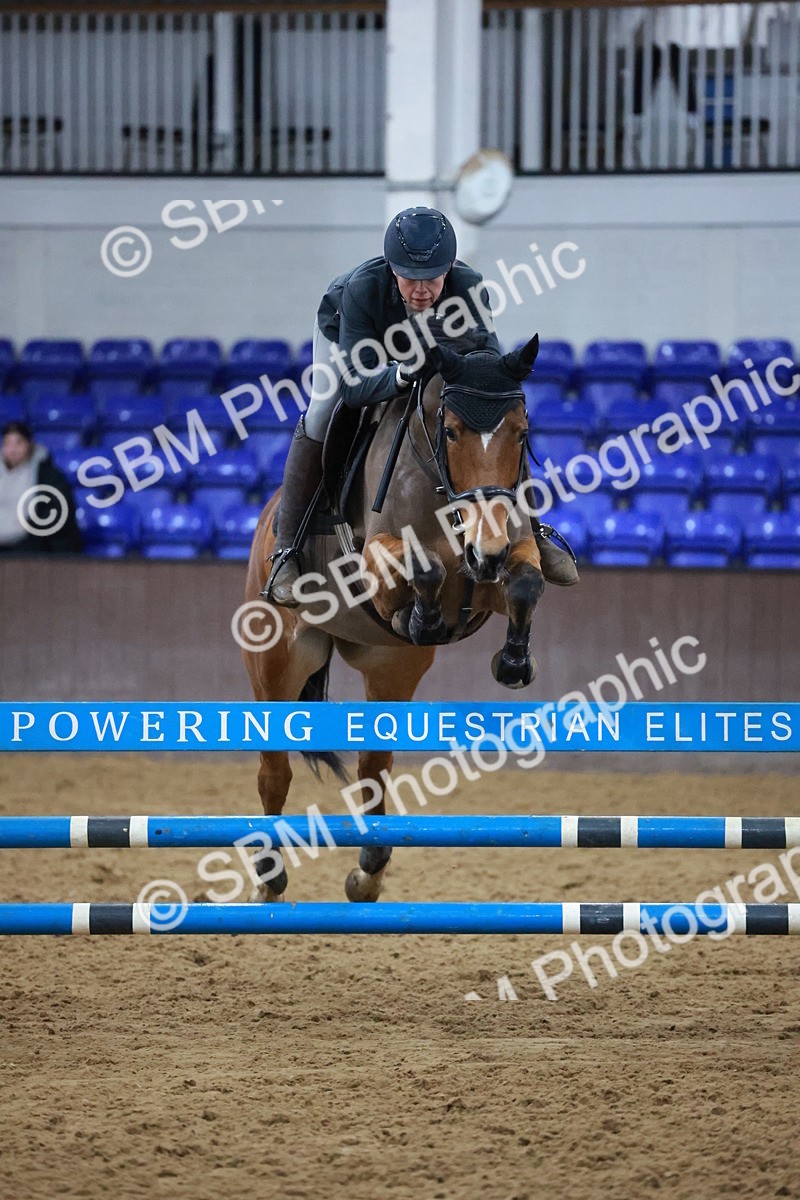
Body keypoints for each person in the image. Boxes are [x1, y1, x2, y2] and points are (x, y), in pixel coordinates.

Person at [267, 205, 578, 606]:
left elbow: (486, 374)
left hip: (431, 355)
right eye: (408, 279)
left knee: (500, 419)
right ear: (392, 270)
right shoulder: (363, 290)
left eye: (431, 280)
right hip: (358, 344)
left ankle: (533, 533)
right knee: (322, 410)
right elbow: (354, 386)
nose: (420, 291)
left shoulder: (468, 288)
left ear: (448, 269)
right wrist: (401, 374)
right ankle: (287, 551)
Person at [0, 421, 82, 554]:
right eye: (7, 444)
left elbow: (61, 509)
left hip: (33, 543)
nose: (13, 449)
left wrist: (31, 525)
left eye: (19, 443)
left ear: (29, 444)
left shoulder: (48, 473)